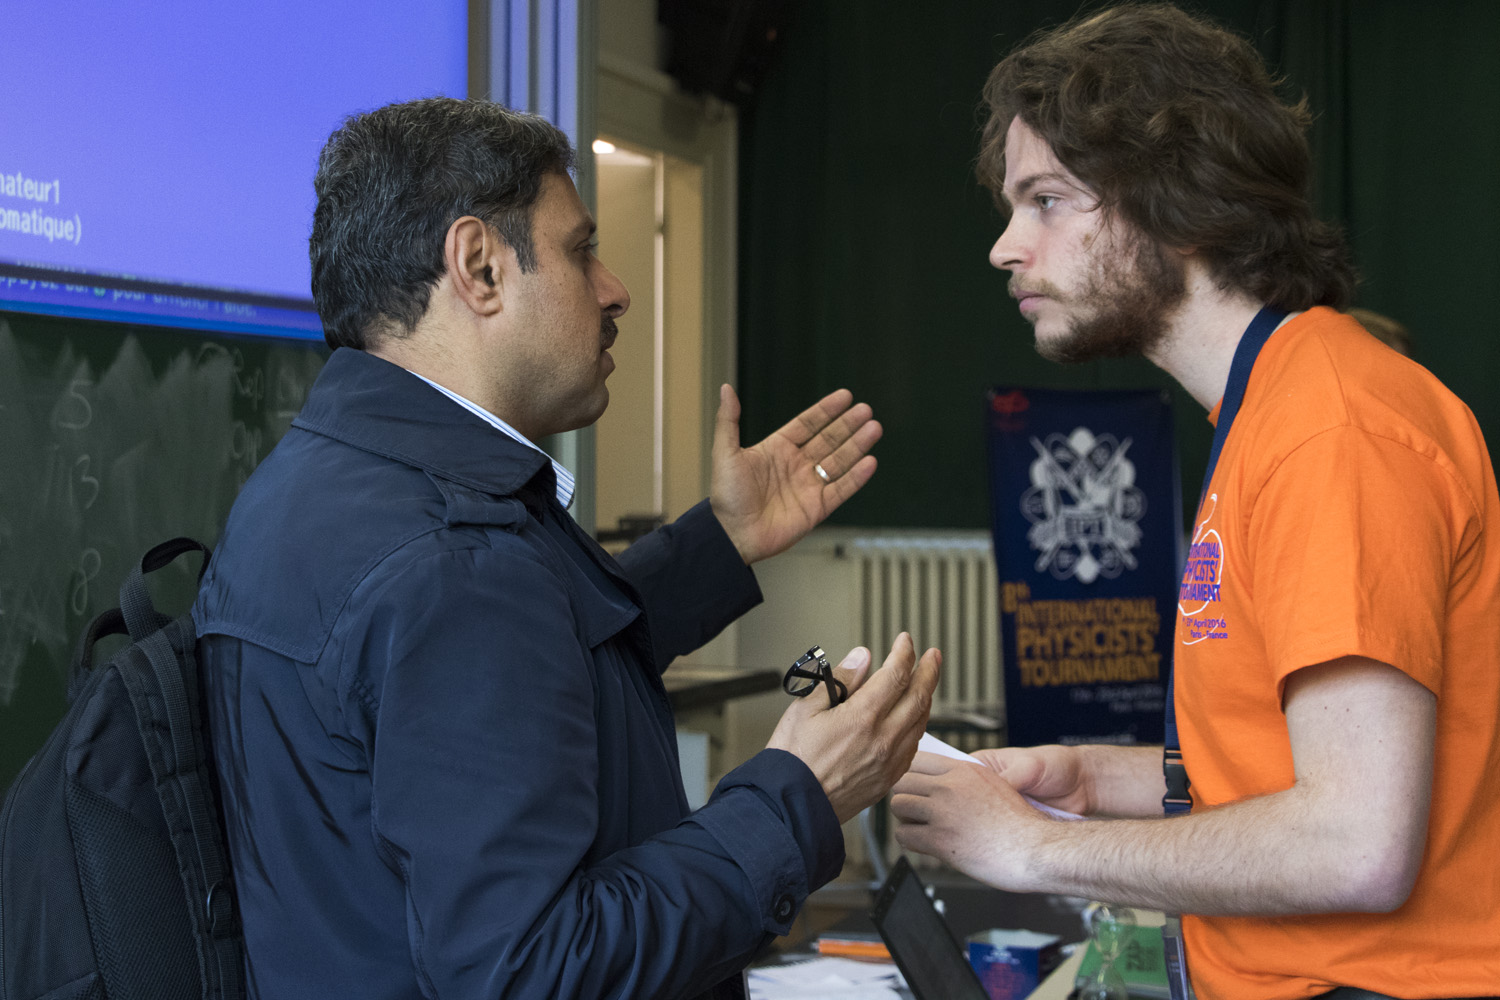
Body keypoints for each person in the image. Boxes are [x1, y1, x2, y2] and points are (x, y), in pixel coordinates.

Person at [193, 97, 941, 1000]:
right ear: (479, 266)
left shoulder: (319, 484)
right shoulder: (453, 559)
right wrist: (796, 798)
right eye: (581, 250)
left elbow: (515, 672)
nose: (614, 288)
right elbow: (533, 970)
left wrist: (720, 542)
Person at [890, 6, 1500, 999]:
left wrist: (1034, 849)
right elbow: (1284, 766)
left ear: (1175, 199)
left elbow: (1355, 844)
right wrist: (1092, 777)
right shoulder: (1270, 407)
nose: (1006, 246)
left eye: (1046, 200)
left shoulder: (1329, 430)